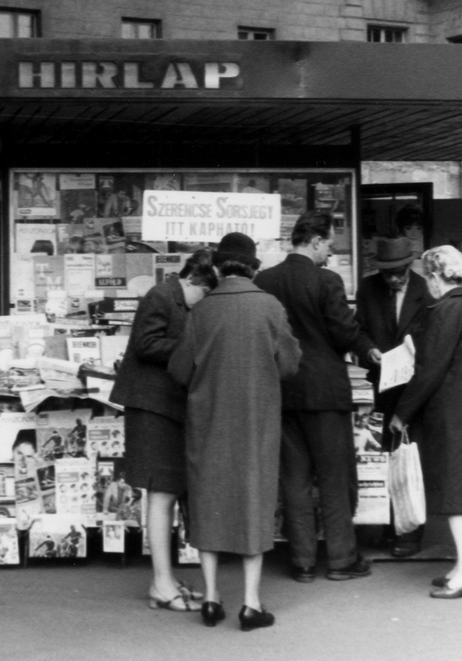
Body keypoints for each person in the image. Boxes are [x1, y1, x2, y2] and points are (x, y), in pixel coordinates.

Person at [170, 232, 302, 631]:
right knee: (253, 504)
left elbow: (179, 369)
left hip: (207, 422)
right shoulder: (269, 306)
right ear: (252, 266)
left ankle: (211, 599)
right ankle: (250, 604)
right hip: (255, 422)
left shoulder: (203, 311)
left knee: (208, 504)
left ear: (219, 267)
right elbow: (290, 364)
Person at [254, 210, 373, 584]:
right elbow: (343, 332)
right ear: (317, 241)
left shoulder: (265, 280)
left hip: (285, 391)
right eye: (329, 246)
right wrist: (368, 348)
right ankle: (340, 559)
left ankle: (302, 561)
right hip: (325, 392)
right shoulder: (327, 281)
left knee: (295, 478)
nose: (331, 254)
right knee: (335, 477)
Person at [389, 245, 462, 599]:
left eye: (428, 278)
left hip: (453, 417)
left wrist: (401, 412)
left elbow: (429, 370)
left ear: (437, 276)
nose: (428, 287)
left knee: (457, 495)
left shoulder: (447, 311)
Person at [109, 248, 218, 613]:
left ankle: (166, 578)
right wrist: (195, 346)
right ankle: (160, 583)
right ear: (191, 281)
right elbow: (146, 345)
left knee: (167, 493)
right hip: (152, 407)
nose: (201, 303)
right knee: (162, 493)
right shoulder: (161, 295)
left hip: (164, 408)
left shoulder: (178, 298)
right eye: (203, 294)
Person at [354, 236, 436, 558]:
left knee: (411, 459)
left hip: (414, 389)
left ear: (409, 265)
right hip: (381, 387)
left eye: (398, 272)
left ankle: (411, 532)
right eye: (387, 273)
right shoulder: (367, 289)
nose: (393, 278)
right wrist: (368, 349)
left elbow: (434, 337)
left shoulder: (427, 289)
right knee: (382, 459)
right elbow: (358, 330)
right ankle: (387, 526)